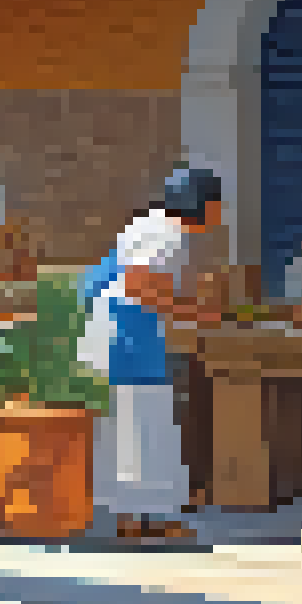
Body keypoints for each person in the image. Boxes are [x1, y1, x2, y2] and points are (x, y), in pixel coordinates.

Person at [79, 165, 225, 542]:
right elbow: (141, 286)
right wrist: (195, 312)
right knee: (142, 424)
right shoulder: (167, 234)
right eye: (217, 205)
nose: (220, 214)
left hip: (119, 332)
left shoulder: (151, 226)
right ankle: (150, 518)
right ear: (202, 206)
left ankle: (136, 518)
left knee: (131, 426)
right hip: (126, 334)